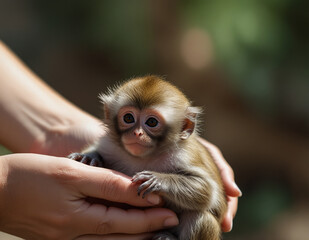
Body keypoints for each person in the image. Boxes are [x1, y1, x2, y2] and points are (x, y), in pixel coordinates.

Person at [0, 41, 241, 240]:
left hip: (185, 223)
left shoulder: (181, 155)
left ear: (185, 128)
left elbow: (206, 196)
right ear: (109, 116)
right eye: (128, 118)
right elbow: (97, 154)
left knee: (201, 221)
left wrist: (165, 182)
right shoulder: (109, 144)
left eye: (152, 123)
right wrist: (90, 158)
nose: (137, 133)